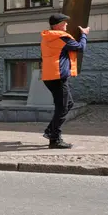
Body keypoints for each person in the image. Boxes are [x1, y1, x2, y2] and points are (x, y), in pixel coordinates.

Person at [40, 13, 89, 149]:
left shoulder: (47, 36)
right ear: (58, 25)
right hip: (58, 76)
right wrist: (84, 34)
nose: (67, 24)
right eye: (64, 22)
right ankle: (55, 139)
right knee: (62, 107)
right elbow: (81, 48)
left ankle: (51, 131)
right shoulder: (61, 37)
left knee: (68, 104)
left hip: (50, 76)